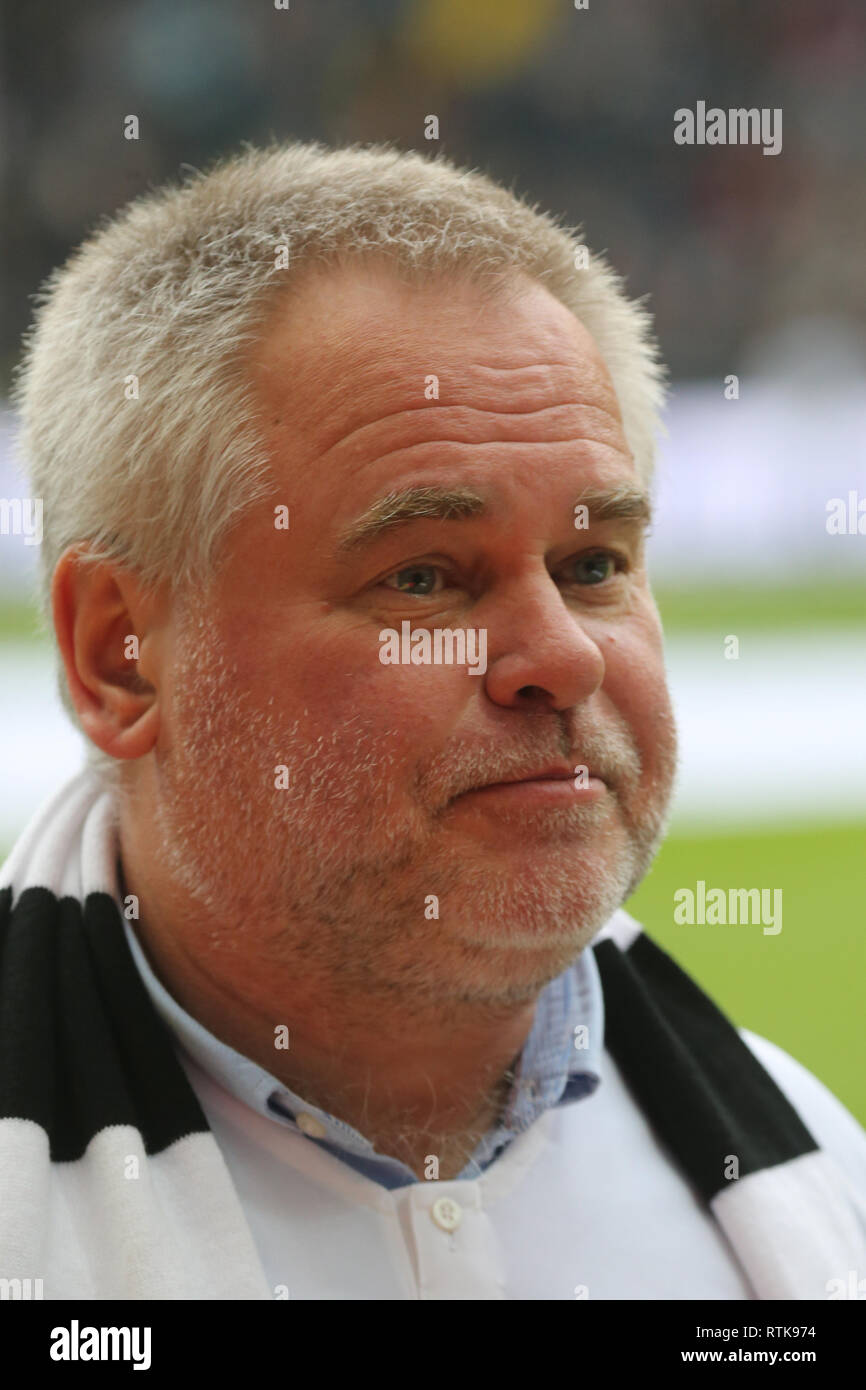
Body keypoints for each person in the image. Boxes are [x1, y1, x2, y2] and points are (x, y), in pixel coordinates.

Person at [1, 140, 863, 1301]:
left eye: (594, 560)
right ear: (119, 653)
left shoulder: (819, 1165)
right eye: (422, 577)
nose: (558, 655)